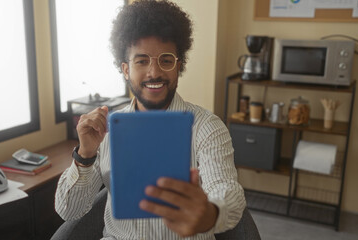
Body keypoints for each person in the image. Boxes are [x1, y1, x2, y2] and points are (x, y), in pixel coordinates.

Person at [55, 0, 246, 239]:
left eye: (166, 60)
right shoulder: (107, 130)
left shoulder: (206, 127)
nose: (154, 72)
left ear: (179, 66)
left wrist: (209, 214)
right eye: (142, 60)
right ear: (126, 69)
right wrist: (85, 155)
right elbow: (69, 211)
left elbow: (227, 191)